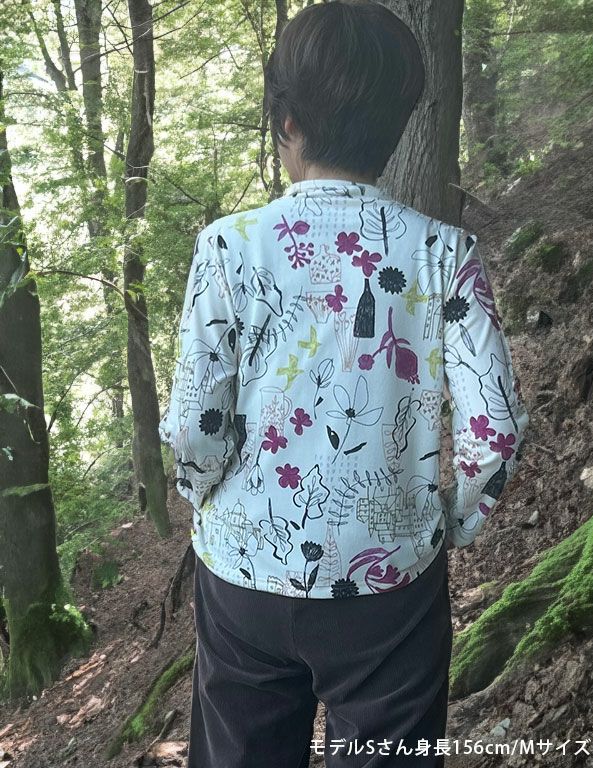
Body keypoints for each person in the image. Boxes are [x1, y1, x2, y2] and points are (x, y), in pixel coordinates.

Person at [158, 1, 530, 766]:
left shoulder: (227, 248)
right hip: (389, 587)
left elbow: (196, 424)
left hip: (242, 577)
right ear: (396, 128)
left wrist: (206, 496)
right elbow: (494, 433)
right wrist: (446, 526)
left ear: (286, 120)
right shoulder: (444, 253)